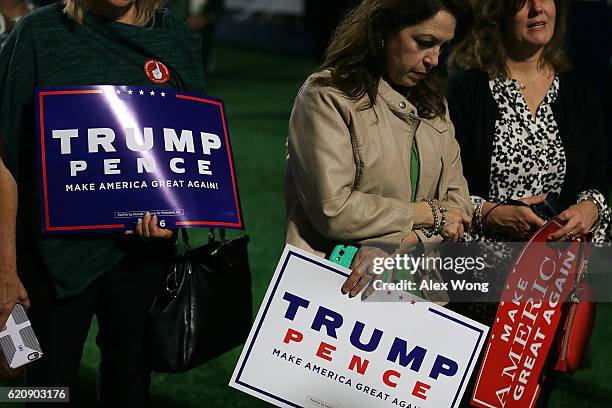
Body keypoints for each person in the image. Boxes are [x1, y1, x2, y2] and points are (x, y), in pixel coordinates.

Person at [0, 0, 205, 404]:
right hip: (46, 260)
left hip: (143, 256)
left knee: (129, 389)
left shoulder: (178, 39)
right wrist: (5, 268)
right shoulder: (36, 34)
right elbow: (3, 160)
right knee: (41, 389)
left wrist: (174, 214)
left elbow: (194, 151)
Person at [284, 0, 473, 300]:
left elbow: (457, 210)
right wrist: (425, 213)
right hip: (337, 287)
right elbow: (332, 210)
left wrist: (397, 243)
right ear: (382, 30)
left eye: (442, 47)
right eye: (425, 43)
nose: (435, 60)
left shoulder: (436, 105)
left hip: (421, 291)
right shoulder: (327, 97)